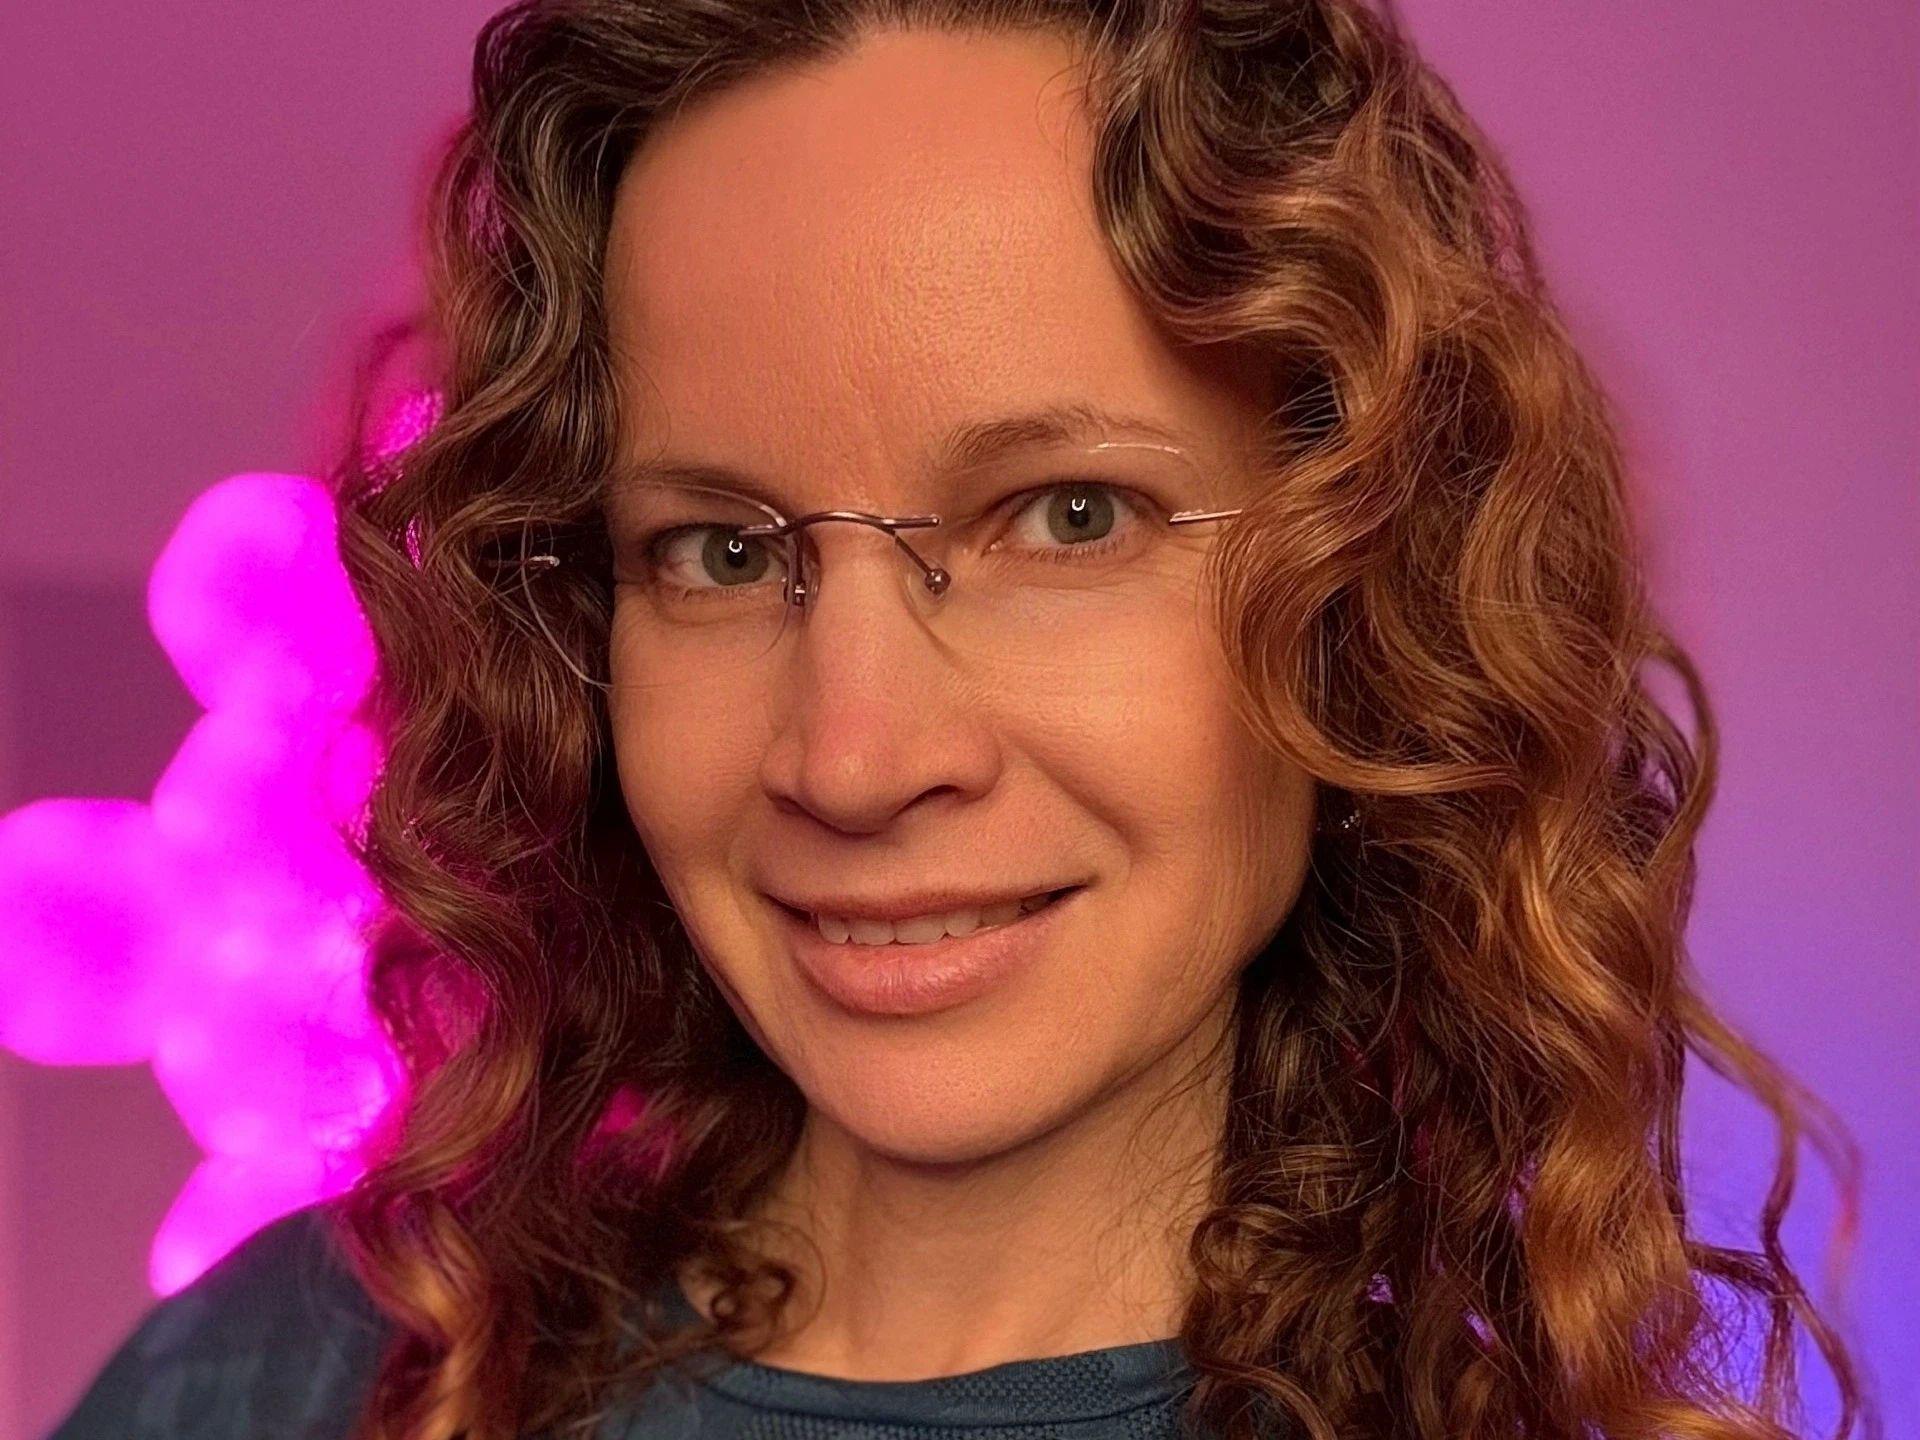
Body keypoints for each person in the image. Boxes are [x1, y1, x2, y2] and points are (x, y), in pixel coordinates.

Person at [49, 1, 1872, 1438]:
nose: (852, 758)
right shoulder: (293, 1377)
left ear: (1360, 591)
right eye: (719, 549)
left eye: (1068, 517)